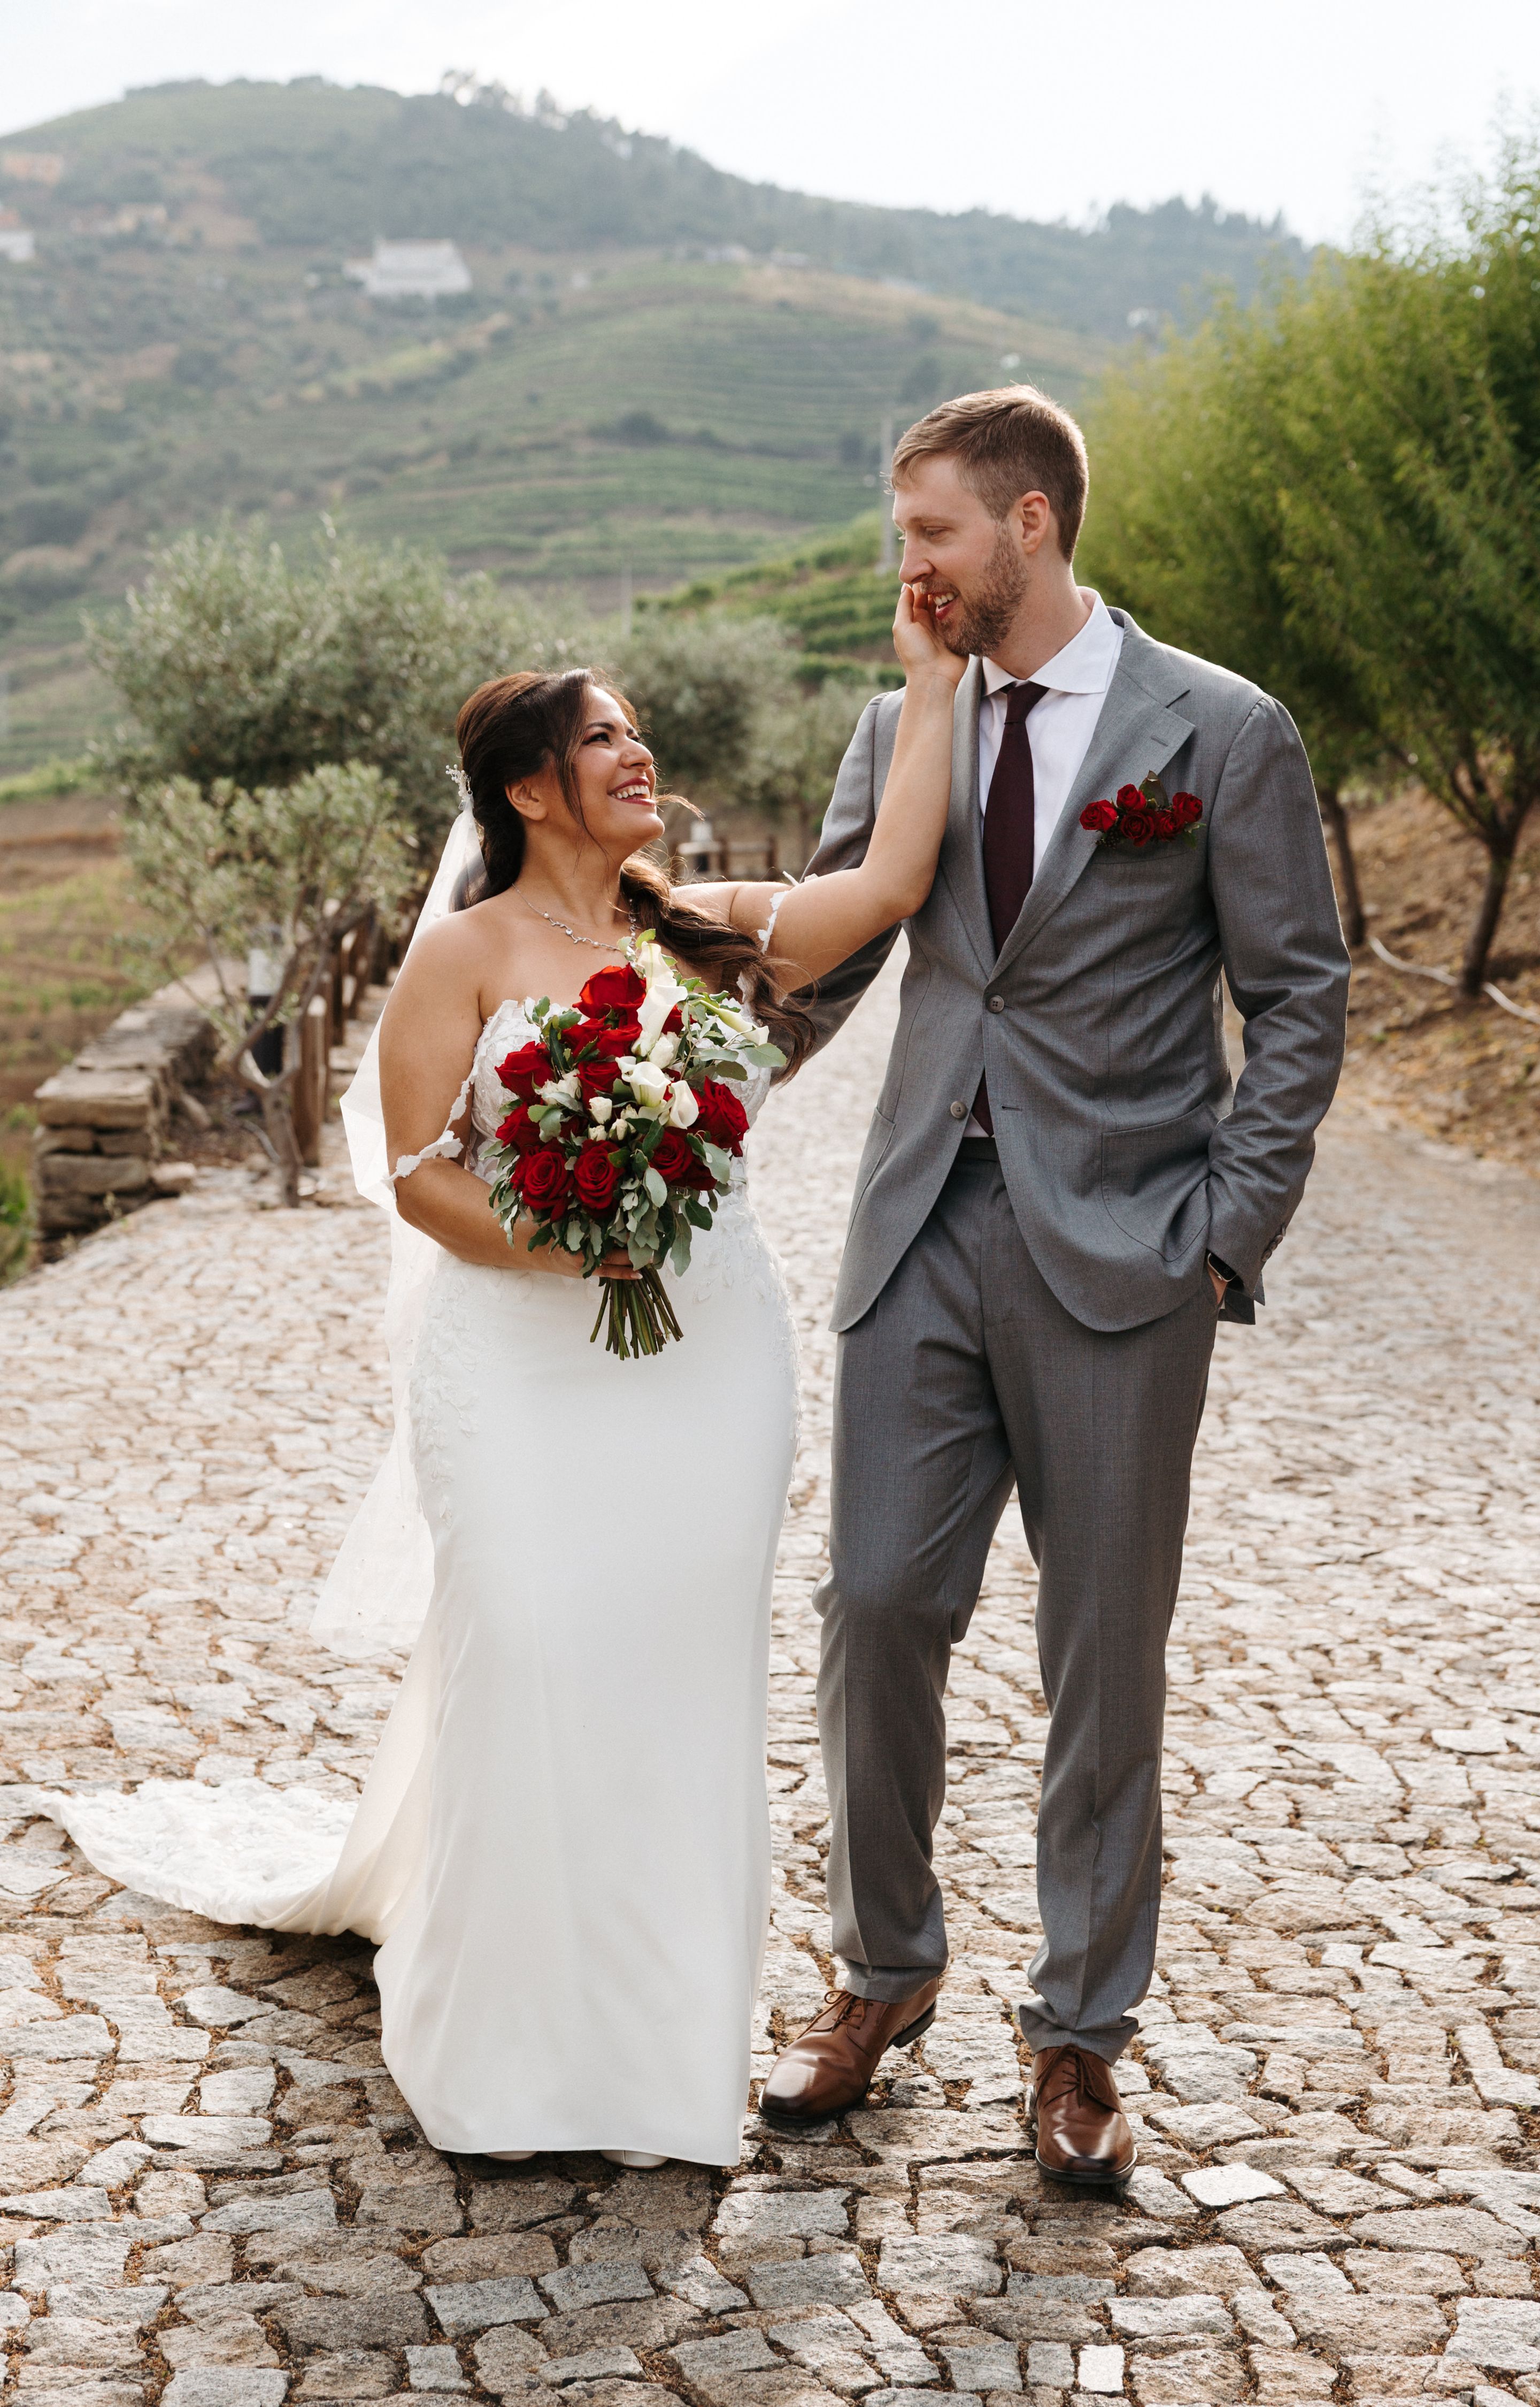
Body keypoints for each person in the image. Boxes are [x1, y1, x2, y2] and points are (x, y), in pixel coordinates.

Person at [44, 583, 965, 2171]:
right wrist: (579, 1240)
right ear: (532, 788)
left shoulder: (700, 927)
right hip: (524, 1362)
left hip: (709, 1359)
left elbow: (888, 882)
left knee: (684, 1679)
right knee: (534, 1647)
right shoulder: (464, 955)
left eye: (635, 730)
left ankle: (661, 2052)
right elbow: (415, 1177)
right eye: (603, 734)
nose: (637, 750)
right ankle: (515, 2040)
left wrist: (934, 681)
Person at [759, 385, 1350, 2187]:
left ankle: (1081, 2036)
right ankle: (885, 1971)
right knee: (872, 1605)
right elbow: (835, 964)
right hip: (920, 1226)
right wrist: (655, 1105)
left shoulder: (1223, 734)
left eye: (932, 532)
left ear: (1028, 525)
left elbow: (1302, 998)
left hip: (1127, 1254)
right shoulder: (898, 720)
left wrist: (1223, 1238)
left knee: (1104, 1659)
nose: (907, 569)